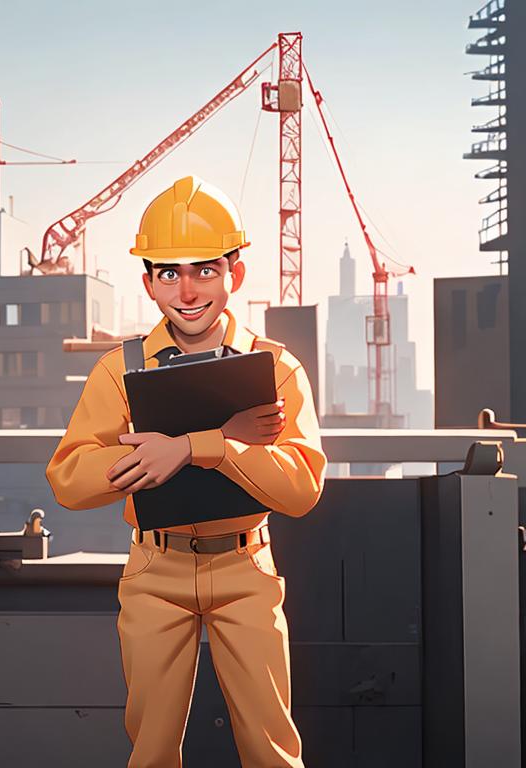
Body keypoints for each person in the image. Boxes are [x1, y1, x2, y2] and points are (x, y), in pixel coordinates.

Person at [45, 175, 326, 768]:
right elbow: (68, 480)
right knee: (149, 753)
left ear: (235, 275)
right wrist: (194, 444)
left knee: (272, 751)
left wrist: (200, 448)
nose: (188, 289)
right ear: (148, 282)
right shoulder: (118, 371)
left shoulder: (276, 369)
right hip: (155, 568)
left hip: (246, 566)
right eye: (169, 272)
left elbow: (300, 490)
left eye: (206, 270)